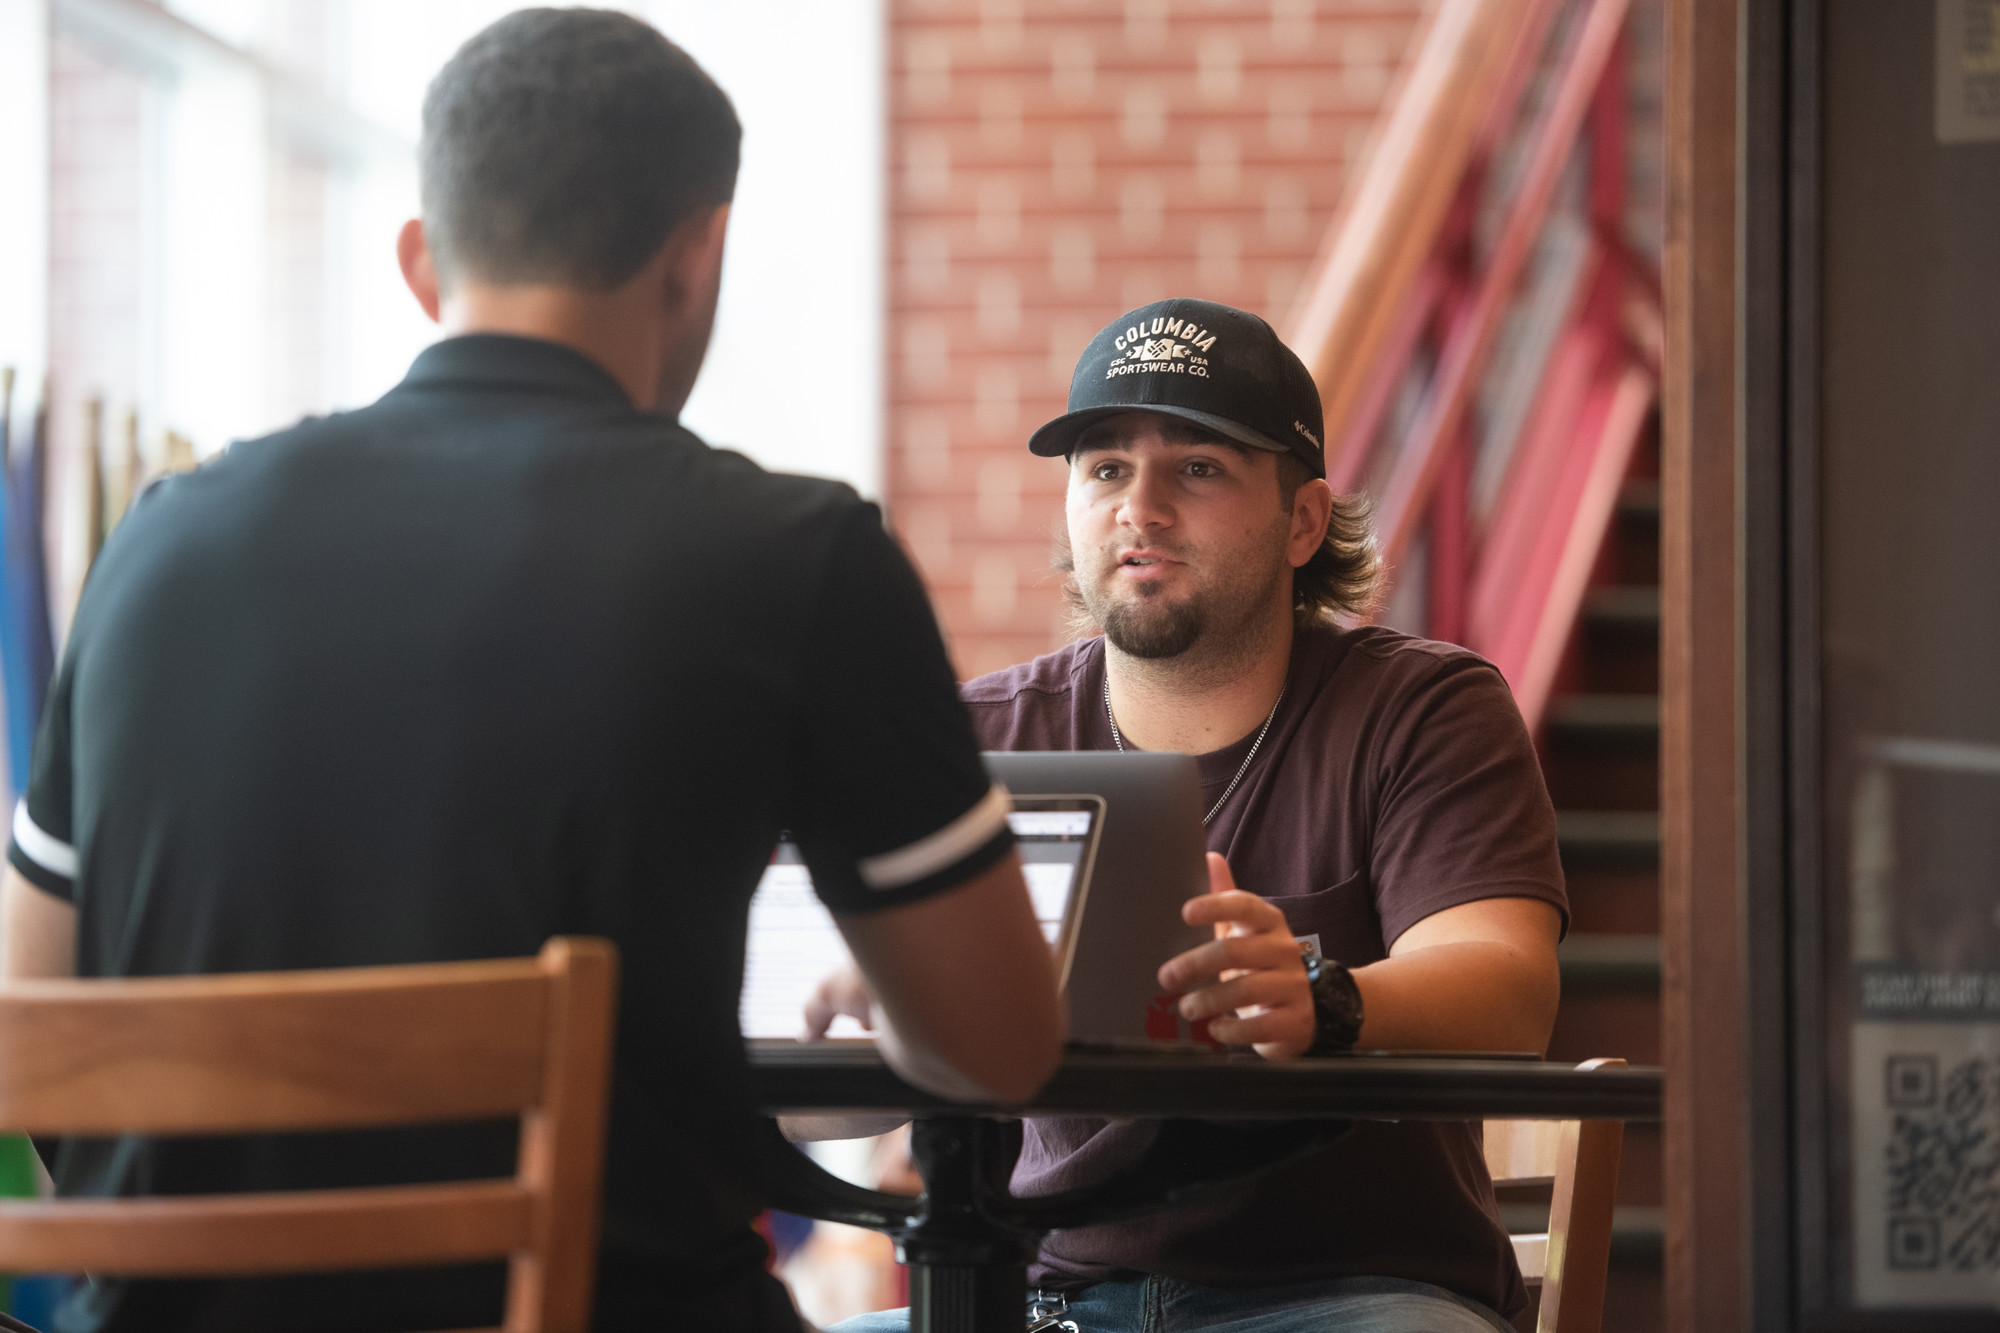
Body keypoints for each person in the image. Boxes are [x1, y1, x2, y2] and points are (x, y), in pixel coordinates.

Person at [0, 10, 1063, 1333]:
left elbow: (33, 1022)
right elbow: (999, 1047)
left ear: (421, 260)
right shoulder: (798, 557)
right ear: (699, 255)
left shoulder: (158, 541)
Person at [815, 298, 1568, 1333]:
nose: (1141, 507)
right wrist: (880, 1006)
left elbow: (1508, 987)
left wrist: (1322, 998)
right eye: (1105, 469)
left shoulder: (1423, 708)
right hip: (1049, 1302)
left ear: (1303, 522)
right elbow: (820, 1108)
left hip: (1355, 1294)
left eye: (1199, 467)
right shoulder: (975, 738)